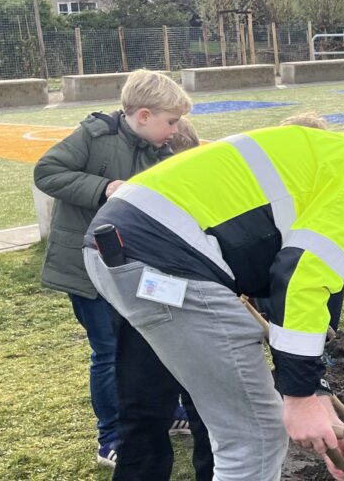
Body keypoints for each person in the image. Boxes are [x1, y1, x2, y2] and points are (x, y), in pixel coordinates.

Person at [82, 125, 344, 481]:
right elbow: (301, 278)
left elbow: (289, 278)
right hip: (164, 255)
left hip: (120, 244)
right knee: (254, 433)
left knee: (235, 418)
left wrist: (316, 390)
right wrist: (300, 397)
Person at [34, 69, 192, 467]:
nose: (175, 130)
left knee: (150, 342)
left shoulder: (160, 150)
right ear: (142, 116)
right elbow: (47, 172)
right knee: (107, 352)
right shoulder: (94, 136)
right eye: (170, 122)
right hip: (87, 271)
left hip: (135, 270)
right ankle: (110, 438)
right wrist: (104, 189)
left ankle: (168, 413)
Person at [110, 112, 214, 481]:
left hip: (200, 319)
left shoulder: (211, 195)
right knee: (143, 415)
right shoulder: (136, 204)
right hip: (149, 317)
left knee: (207, 414)